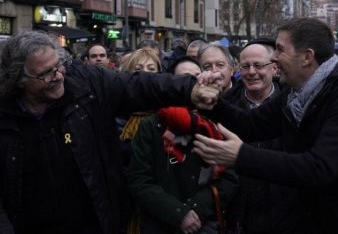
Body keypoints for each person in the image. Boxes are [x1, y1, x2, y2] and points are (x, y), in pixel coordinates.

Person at [193, 17, 338, 233]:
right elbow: (252, 125)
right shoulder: (297, 93)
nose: (273, 58)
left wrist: (241, 156)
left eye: (280, 50)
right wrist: (213, 103)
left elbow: (320, 167)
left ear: (307, 57)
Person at [0, 31, 218, 234]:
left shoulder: (90, 83)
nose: (58, 76)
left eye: (58, 66)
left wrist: (190, 89)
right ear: (19, 79)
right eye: (46, 74)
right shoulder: (6, 115)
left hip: (96, 223)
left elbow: (140, 85)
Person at [127, 57, 238, 234]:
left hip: (205, 223)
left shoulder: (215, 122)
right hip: (161, 224)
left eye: (197, 77)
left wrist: (197, 209)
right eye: (185, 79)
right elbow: (139, 180)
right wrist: (178, 213)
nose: (193, 84)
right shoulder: (152, 125)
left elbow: (230, 175)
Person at [224, 38, 294, 233]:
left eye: (258, 65)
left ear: (274, 68)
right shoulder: (226, 108)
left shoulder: (294, 105)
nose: (252, 72)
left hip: (285, 211)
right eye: (245, 66)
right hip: (239, 212)